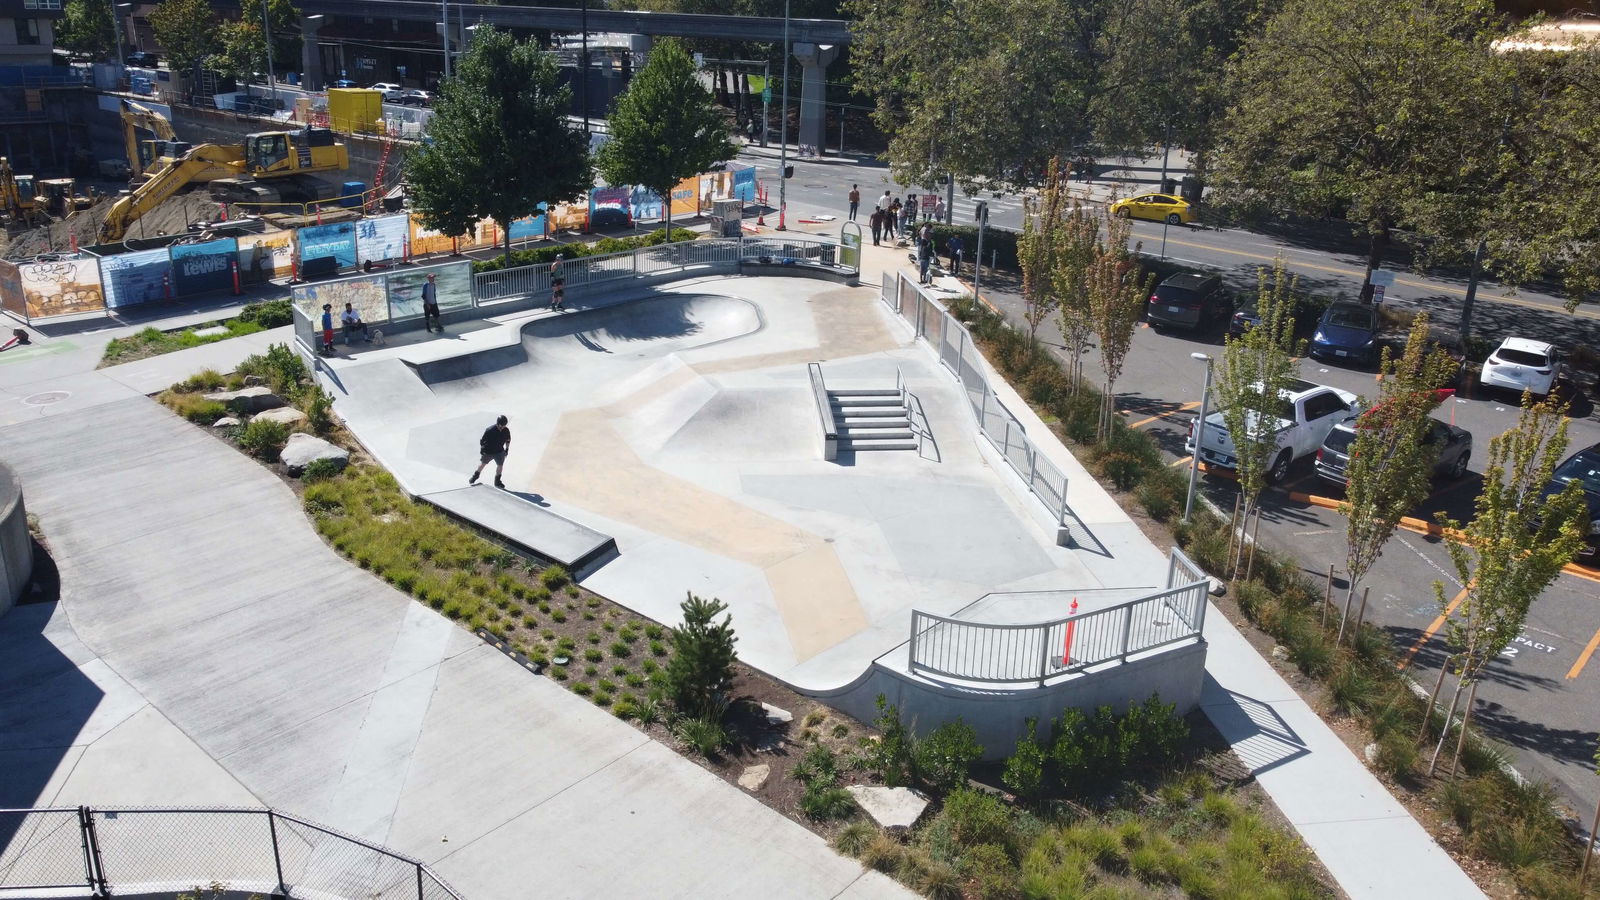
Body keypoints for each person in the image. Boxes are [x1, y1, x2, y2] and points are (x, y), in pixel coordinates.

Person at [470, 415, 511, 489]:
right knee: (482, 464)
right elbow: (482, 441)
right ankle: (475, 477)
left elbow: (508, 440)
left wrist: (507, 449)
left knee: (500, 466)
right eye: (501, 425)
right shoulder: (490, 430)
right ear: (498, 423)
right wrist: (482, 448)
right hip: (489, 451)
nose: (502, 427)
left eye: (504, 425)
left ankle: (497, 482)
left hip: (499, 451)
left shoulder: (506, 430)